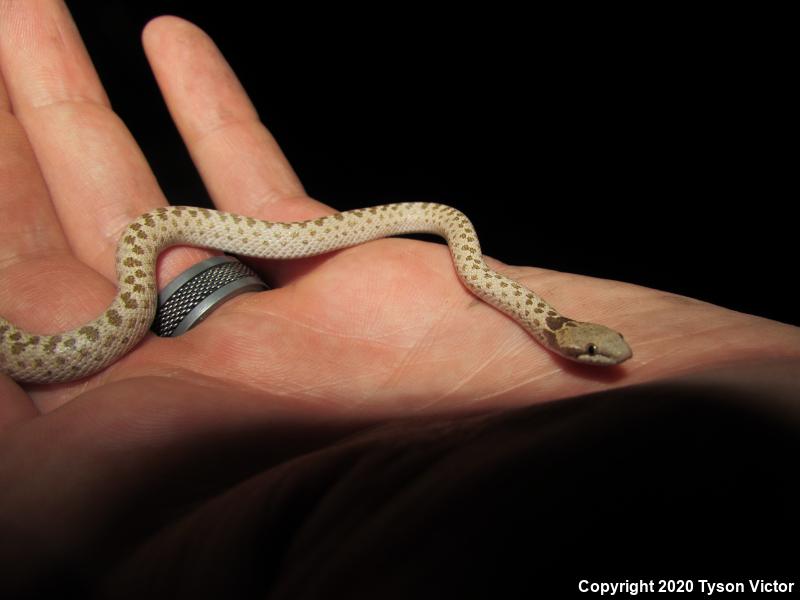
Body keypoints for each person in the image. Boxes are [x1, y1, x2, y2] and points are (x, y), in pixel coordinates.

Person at [0, 2, 798, 596]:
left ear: (565, 341)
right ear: (566, 339)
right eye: (596, 346)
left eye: (596, 348)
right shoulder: (485, 268)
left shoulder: (508, 289)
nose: (604, 356)